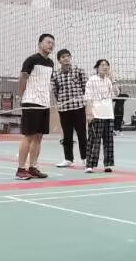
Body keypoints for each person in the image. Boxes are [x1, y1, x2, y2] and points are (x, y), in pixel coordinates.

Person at [16, 33, 55, 180]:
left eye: (52, 43)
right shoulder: (31, 60)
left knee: (39, 137)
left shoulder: (51, 63)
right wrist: (21, 96)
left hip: (44, 103)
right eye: (48, 42)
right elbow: (23, 78)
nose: (50, 45)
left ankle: (32, 167)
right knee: (29, 135)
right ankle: (20, 169)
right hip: (31, 101)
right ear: (40, 44)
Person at [51, 49, 88, 168]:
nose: (66, 58)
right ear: (59, 60)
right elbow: (55, 91)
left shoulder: (79, 70)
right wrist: (61, 102)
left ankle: (85, 158)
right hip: (64, 109)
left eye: (68, 56)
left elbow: (85, 88)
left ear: (70, 57)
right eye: (63, 57)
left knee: (82, 133)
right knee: (67, 134)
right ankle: (68, 159)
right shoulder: (55, 74)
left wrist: (83, 102)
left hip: (78, 107)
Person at [84, 59, 117, 173]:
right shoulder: (92, 80)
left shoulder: (109, 81)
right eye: (102, 65)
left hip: (108, 114)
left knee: (109, 141)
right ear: (97, 67)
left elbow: (116, 94)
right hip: (96, 114)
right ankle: (90, 165)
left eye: (107, 65)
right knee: (94, 141)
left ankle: (108, 164)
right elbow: (88, 97)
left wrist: (113, 80)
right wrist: (89, 112)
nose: (105, 67)